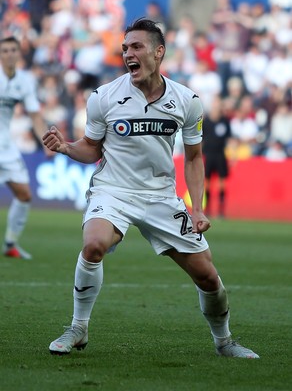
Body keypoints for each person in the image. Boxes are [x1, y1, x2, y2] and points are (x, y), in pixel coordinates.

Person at [43, 18, 259, 358]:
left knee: (207, 275)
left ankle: (225, 342)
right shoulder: (104, 97)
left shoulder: (188, 101)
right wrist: (68, 147)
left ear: (159, 53)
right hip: (113, 190)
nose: (128, 53)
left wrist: (197, 208)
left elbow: (194, 158)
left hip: (161, 196)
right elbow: (92, 147)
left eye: (137, 47)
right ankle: (78, 328)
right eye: (125, 48)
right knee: (94, 244)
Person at [0, 36, 51, 259]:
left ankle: (11, 243)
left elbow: (35, 115)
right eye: (5, 50)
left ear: (19, 53)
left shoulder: (25, 80)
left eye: (13, 49)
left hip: (5, 146)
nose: (10, 54)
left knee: (24, 195)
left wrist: (46, 143)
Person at [202, 96, 231, 218]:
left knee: (222, 182)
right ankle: (207, 209)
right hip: (208, 155)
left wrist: (232, 154)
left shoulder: (225, 121)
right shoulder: (206, 121)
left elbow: (230, 138)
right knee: (207, 182)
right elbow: (200, 139)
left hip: (220, 154)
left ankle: (221, 210)